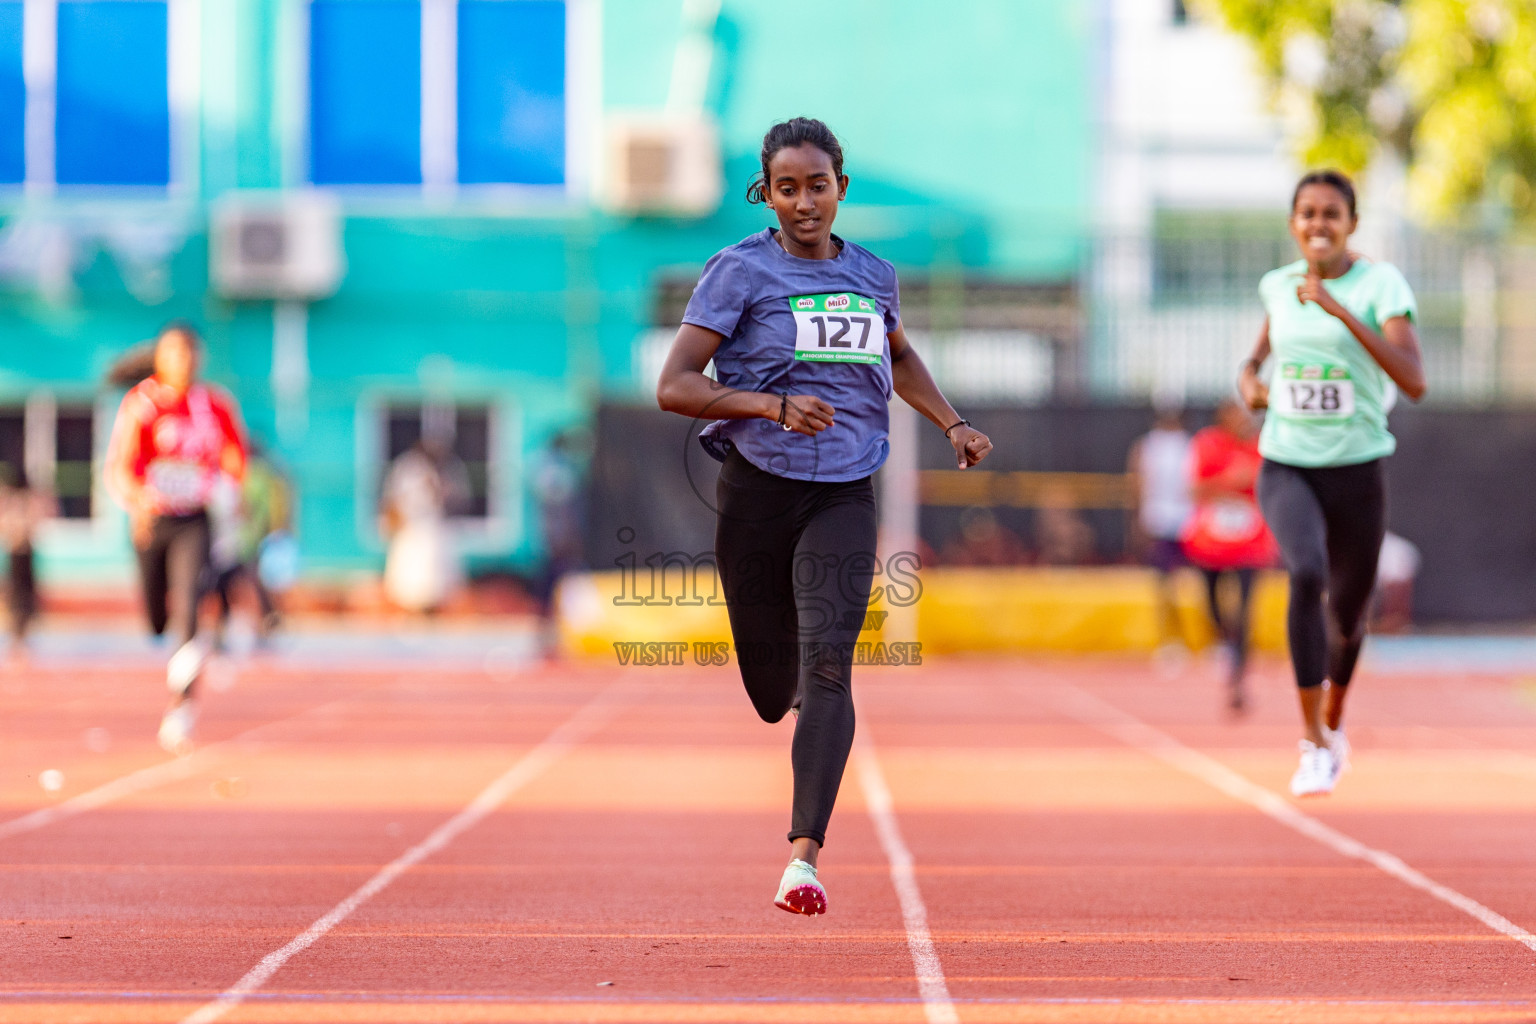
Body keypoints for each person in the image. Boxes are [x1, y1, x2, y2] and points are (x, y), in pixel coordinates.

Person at [656, 117, 993, 916]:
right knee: (774, 687)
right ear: (765, 194)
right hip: (756, 490)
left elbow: (900, 354)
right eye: (786, 188)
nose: (803, 203)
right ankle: (799, 701)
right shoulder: (737, 272)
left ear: (841, 186)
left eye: (817, 185)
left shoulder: (874, 276)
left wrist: (953, 422)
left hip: (845, 487)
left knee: (830, 666)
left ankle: (802, 859)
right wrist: (770, 406)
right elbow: (675, 385)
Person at [1238, 170, 1426, 797]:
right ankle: (1312, 742)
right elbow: (1255, 360)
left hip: (1357, 470)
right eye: (1307, 213)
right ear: (1293, 223)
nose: (1318, 224)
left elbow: (1414, 380)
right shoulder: (1277, 286)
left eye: (1331, 214)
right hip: (1287, 462)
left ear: (1351, 223)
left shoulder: (1382, 285)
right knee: (1306, 572)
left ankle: (1334, 721)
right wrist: (1250, 383)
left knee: (1349, 620)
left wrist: (1340, 310)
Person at [106, 323, 247, 754]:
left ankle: (180, 707)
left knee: (189, 605)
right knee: (156, 618)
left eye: (189, 355)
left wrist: (229, 491)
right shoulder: (142, 404)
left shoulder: (215, 405)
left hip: (195, 520)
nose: (182, 363)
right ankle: (164, 632)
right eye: (173, 354)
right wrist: (138, 500)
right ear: (161, 359)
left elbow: (235, 457)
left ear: (198, 359)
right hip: (153, 522)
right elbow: (119, 467)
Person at [1181, 398, 1276, 713]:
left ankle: (1238, 678)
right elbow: (1194, 491)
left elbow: (1270, 487)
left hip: (1249, 540)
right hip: (1212, 540)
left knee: (1246, 609)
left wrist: (1253, 481)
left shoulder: (1261, 447)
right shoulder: (1207, 444)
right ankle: (1225, 641)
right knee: (1212, 602)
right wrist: (1231, 482)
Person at [1127, 407, 1193, 648]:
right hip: (1159, 521)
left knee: (1197, 586)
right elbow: (1137, 484)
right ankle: (1172, 639)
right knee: (1165, 586)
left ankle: (1211, 638)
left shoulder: (1190, 445)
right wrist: (1138, 520)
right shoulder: (1147, 446)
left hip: (1189, 522)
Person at [379, 437, 468, 614]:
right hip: (411, 529)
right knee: (411, 573)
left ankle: (432, 607)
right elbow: (397, 499)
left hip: (433, 528)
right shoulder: (408, 467)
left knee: (435, 572)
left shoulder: (448, 467)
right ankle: (412, 609)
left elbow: (457, 497)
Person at [1, 464, 53, 659]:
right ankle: (17, 632)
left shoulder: (25, 501)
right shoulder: (13, 502)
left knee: (24, 593)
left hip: (23, 552)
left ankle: (22, 632)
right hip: (17, 552)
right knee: (17, 593)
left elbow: (38, 519)